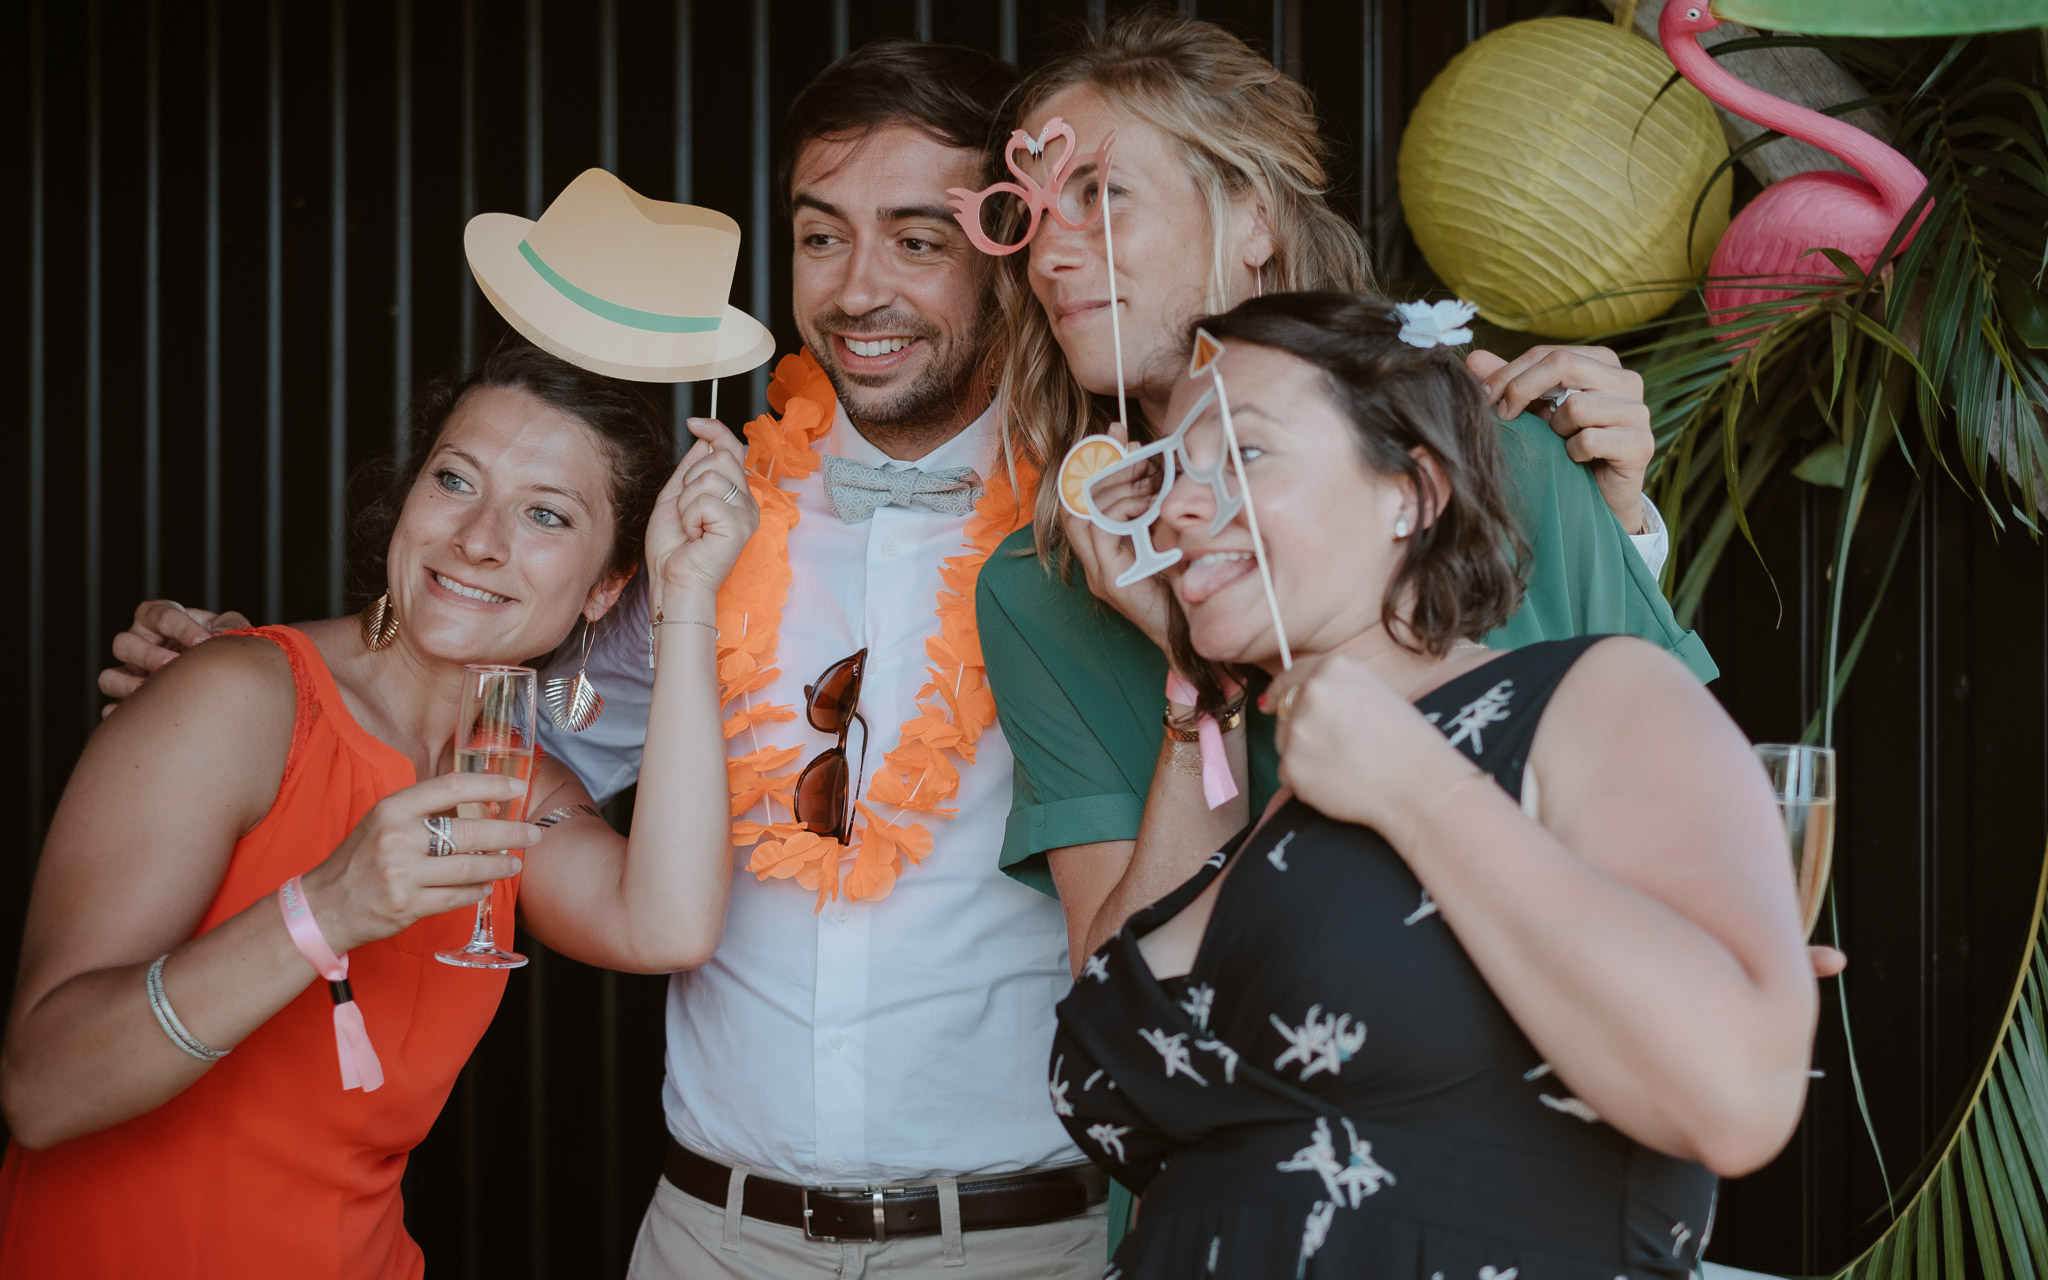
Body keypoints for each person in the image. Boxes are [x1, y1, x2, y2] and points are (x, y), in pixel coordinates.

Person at [98, 42, 1110, 1278]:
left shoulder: (1094, 528)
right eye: (819, 235)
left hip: (1012, 1239)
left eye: (916, 239)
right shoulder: (699, 525)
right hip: (710, 1235)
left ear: (1004, 248)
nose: (857, 289)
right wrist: (243, 687)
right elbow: (496, 708)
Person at [1049, 290, 1818, 1278]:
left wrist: (1418, 786)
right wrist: (1197, 675)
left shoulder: (1590, 695)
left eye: (1241, 453)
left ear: (1409, 491)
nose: (1180, 504)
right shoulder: (1278, 798)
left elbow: (1735, 1092)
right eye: (1174, 469)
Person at [974, 11, 1715, 979]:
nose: (1049, 257)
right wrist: (1196, 677)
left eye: (1101, 194)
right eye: (1030, 219)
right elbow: (1126, 1000)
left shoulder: (1508, 459)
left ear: (1252, 217)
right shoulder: (1042, 589)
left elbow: (1698, 845)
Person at [2, 338, 755, 1279]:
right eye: (454, 479)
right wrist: (328, 908)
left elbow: (669, 926)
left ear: (607, 586)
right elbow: (43, 1087)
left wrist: (687, 595)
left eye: (546, 516)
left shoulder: (515, 785)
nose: (479, 538)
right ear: (406, 499)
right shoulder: (236, 698)